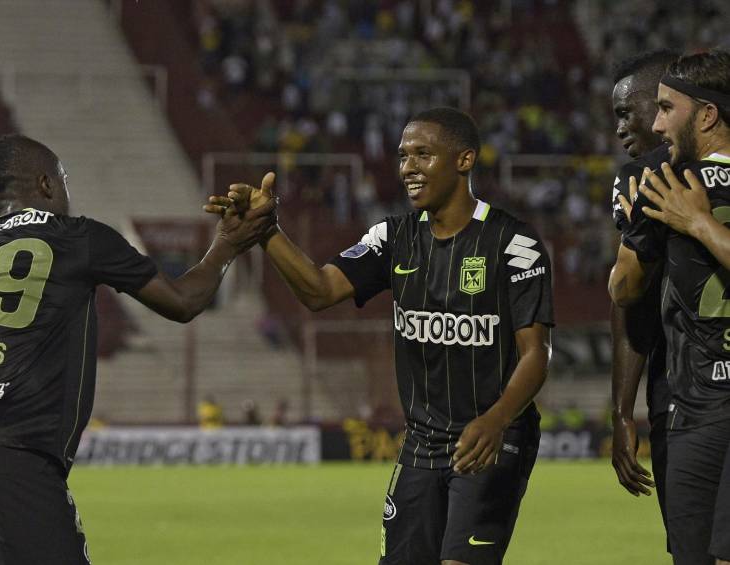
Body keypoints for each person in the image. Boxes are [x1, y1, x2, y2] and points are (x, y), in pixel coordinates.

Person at [211, 107, 553, 565]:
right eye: (403, 155)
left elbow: (537, 353)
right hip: (422, 443)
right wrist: (265, 231)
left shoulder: (514, 244)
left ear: (464, 160)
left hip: (490, 437)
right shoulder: (393, 237)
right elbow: (319, 290)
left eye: (423, 154)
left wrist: (496, 420)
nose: (408, 167)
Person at [0, 134, 276, 565]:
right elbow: (182, 302)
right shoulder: (78, 237)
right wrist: (227, 244)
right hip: (15, 450)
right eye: (64, 179)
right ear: (46, 184)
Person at [609, 49, 730, 565]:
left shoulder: (659, 182)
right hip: (690, 399)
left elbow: (621, 289)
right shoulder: (655, 180)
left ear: (705, 114)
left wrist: (697, 224)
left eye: (666, 108)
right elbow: (625, 294)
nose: (656, 125)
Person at [607, 50, 679, 541]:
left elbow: (625, 293)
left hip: (685, 394)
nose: (619, 129)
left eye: (624, 113)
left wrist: (621, 412)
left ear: (662, 105)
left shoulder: (640, 181)